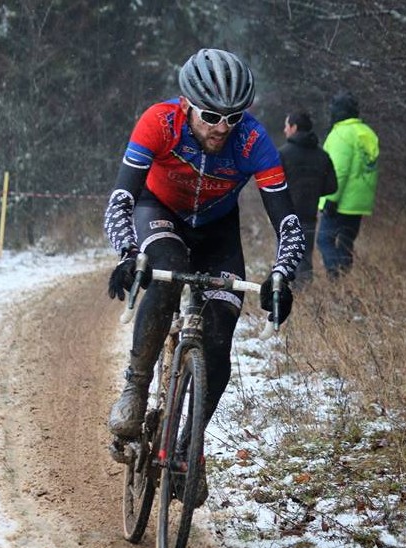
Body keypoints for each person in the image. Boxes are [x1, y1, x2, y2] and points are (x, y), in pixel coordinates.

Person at [103, 48, 305, 505]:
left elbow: (288, 222)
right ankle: (135, 388)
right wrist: (127, 253)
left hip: (217, 230)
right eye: (211, 115)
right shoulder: (159, 122)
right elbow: (121, 198)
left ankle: (189, 446)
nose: (221, 127)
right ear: (187, 104)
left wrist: (281, 275)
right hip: (161, 214)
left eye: (232, 117)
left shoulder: (253, 142)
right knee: (166, 275)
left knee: (218, 338)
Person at [317, 91, 379, 278]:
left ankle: (336, 278)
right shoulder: (367, 132)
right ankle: (344, 280)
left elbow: (339, 171)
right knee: (346, 242)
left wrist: (331, 199)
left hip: (341, 200)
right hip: (360, 201)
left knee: (324, 240)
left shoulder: (341, 134)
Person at [278, 110, 338, 287]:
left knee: (285, 258)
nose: (284, 130)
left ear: (294, 127)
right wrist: (312, 191)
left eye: (286, 125)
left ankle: (283, 297)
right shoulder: (322, 155)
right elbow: (332, 186)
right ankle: (305, 298)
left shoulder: (282, 154)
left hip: (286, 216)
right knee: (304, 259)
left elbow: (272, 186)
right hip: (309, 216)